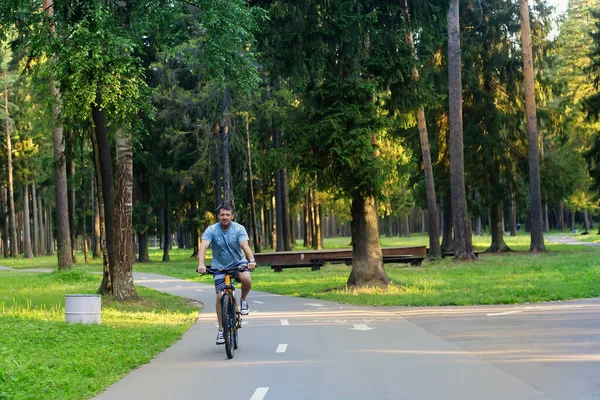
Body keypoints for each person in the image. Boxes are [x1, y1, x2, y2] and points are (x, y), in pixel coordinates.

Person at [197, 204, 256, 345]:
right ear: (218, 216)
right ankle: (221, 330)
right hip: (219, 267)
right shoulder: (211, 230)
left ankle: (243, 300)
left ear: (232, 216)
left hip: (238, 263)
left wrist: (251, 260)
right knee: (219, 295)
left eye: (227, 215)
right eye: (222, 215)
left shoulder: (239, 229)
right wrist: (201, 264)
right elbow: (204, 246)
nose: (225, 217)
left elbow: (245, 246)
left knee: (246, 279)